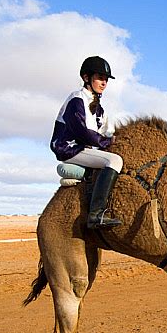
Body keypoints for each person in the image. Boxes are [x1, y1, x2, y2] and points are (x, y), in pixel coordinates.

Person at [50, 56, 123, 229]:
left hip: (84, 149)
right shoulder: (76, 99)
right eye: (100, 77)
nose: (104, 82)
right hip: (69, 148)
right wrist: (106, 142)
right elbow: (83, 132)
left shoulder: (99, 108)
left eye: (106, 79)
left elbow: (107, 132)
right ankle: (96, 214)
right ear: (86, 78)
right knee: (114, 161)